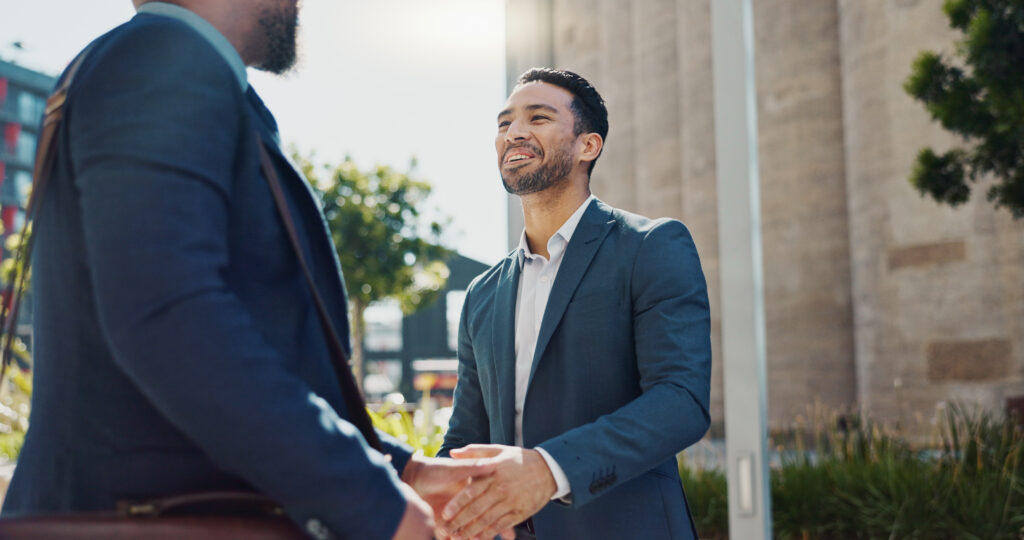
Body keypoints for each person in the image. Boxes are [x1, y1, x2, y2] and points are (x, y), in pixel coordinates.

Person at [0, 2, 501, 539]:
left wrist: (406, 471)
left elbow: (258, 351)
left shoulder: (173, 65)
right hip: (147, 516)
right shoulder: (164, 58)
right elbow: (171, 323)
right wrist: (372, 502)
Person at [436, 68, 712, 539]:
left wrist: (548, 470)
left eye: (537, 118)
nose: (514, 133)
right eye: (504, 124)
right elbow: (466, 439)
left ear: (589, 145)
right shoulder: (482, 294)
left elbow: (681, 400)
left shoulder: (651, 246)